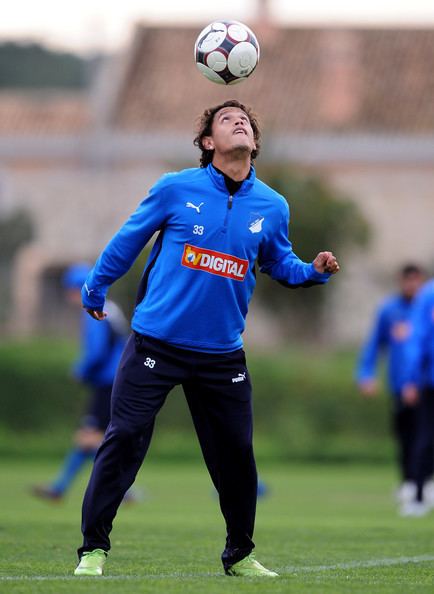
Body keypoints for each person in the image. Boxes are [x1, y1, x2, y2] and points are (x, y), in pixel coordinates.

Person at [73, 99, 340, 578]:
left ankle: (239, 555)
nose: (239, 122)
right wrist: (96, 285)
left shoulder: (272, 205)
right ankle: (94, 549)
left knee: (236, 455)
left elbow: (280, 263)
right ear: (208, 143)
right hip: (156, 344)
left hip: (221, 356)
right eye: (226, 119)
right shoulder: (176, 188)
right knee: (125, 437)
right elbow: (128, 239)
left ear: (254, 142)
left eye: (246, 121)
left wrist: (313, 271)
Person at [32, 263, 129, 501]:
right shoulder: (111, 308)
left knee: (88, 438)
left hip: (107, 381)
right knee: (90, 439)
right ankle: (60, 488)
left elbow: (97, 351)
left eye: (70, 290)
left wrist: (81, 370)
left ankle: (122, 488)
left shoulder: (95, 310)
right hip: (117, 379)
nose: (70, 297)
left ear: (80, 289)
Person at [356, 264, 427, 505]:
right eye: (407, 281)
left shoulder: (427, 308)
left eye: (416, 281)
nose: (412, 286)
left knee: (426, 434)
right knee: (406, 435)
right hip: (400, 385)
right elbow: (375, 345)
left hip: (426, 383)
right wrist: (366, 374)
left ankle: (424, 481)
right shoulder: (390, 311)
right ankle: (409, 481)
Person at [401, 277, 434, 516]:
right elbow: (418, 339)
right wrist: (411, 379)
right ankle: (418, 495)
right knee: (425, 437)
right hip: (430, 380)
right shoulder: (428, 294)